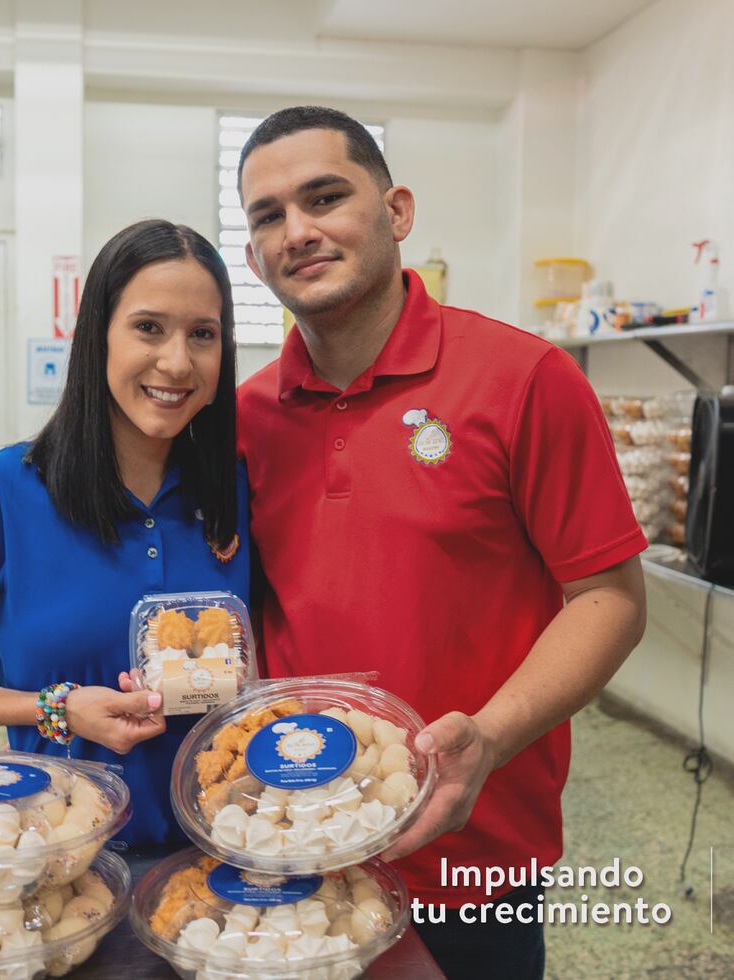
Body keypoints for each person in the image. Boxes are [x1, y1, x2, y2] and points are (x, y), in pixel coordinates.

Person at [235, 106, 647, 979]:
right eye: (268, 216)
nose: (297, 231)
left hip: (474, 850)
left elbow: (609, 598)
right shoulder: (245, 418)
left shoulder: (525, 380)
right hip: (298, 840)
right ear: (252, 254)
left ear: (397, 212)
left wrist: (490, 738)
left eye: (324, 197)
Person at [0, 219, 250, 847]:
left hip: (225, 853)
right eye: (148, 327)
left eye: (202, 335)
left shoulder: (237, 490)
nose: (177, 362)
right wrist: (53, 708)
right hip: (64, 856)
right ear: (96, 334)